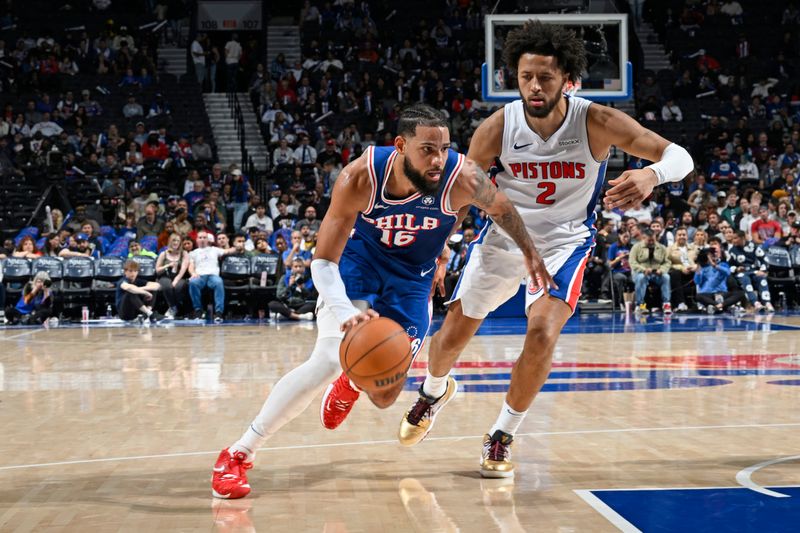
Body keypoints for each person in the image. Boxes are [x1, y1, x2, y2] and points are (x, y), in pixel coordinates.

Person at [396, 21, 694, 479]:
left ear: (567, 79)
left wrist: (651, 175)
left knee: (542, 334)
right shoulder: (498, 126)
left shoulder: (597, 120)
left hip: (564, 242)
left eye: (545, 77)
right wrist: (439, 251)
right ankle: (433, 392)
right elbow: (462, 190)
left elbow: (681, 156)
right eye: (526, 77)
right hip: (503, 238)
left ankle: (502, 434)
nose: (534, 86)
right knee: (451, 338)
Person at [210, 104, 547, 499]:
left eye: (444, 148)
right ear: (401, 145)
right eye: (427, 149)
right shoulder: (360, 177)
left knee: (385, 394)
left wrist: (528, 253)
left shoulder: (462, 178)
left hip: (412, 281)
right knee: (328, 358)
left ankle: (351, 382)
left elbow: (502, 209)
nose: (438, 159)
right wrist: (344, 313)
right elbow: (322, 261)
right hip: (359, 268)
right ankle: (238, 453)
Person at [187, 230, 238, 322]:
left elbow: (228, 251)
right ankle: (198, 310)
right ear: (197, 240)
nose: (202, 239)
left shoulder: (214, 249)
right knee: (192, 282)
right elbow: (191, 266)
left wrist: (236, 247)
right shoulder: (193, 253)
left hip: (212, 276)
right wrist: (193, 273)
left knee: (219, 282)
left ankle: (218, 313)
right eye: (200, 237)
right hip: (200, 276)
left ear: (208, 240)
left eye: (204, 237)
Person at [630, 229, 673, 314]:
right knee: (641, 278)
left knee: (666, 277)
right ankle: (640, 305)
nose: (651, 242)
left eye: (653, 240)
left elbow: (667, 262)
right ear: (643, 238)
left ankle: (666, 304)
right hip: (641, 273)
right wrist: (643, 270)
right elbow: (632, 262)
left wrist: (662, 270)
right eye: (648, 240)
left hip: (657, 273)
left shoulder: (662, 248)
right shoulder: (636, 247)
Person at [156, 233, 190, 319]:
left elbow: (183, 269)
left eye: (178, 241)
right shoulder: (163, 254)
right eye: (174, 240)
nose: (176, 242)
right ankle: (173, 308)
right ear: (170, 242)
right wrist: (167, 265)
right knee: (167, 286)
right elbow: (157, 270)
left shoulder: (184, 253)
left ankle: (179, 308)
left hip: (179, 276)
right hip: (165, 276)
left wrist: (176, 280)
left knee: (178, 287)